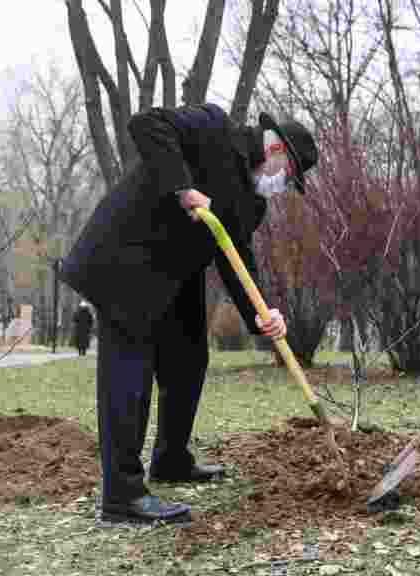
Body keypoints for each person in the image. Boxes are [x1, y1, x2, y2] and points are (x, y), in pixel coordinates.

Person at [60, 103, 319, 523]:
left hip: (172, 276)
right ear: (276, 153)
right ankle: (121, 495)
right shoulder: (214, 128)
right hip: (124, 258)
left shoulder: (252, 204)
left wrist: (262, 312)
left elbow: (235, 258)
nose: (283, 187)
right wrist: (182, 186)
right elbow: (145, 124)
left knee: (189, 360)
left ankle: (172, 459)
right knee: (130, 372)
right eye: (289, 177)